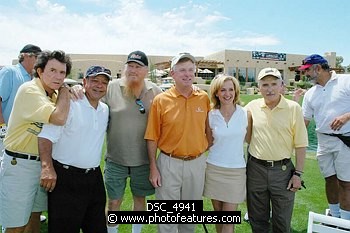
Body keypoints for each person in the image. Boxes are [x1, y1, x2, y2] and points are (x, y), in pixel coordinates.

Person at [0, 50, 72, 233]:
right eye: (53, 70)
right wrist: (65, 91)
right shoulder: (30, 90)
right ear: (39, 71)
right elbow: (59, 117)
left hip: (41, 164)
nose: (58, 77)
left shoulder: (52, 95)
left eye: (62, 72)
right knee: (16, 225)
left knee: (34, 220)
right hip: (20, 164)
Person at [38, 65, 111, 233]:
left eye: (103, 82)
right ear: (84, 82)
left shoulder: (104, 109)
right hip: (66, 178)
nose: (99, 85)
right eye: (95, 81)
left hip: (94, 178)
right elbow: (45, 136)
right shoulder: (68, 104)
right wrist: (47, 168)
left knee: (97, 227)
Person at [145, 52, 210, 233]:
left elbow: (209, 131)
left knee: (189, 221)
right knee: (167, 220)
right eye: (182, 70)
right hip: (168, 163)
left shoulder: (203, 98)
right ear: (172, 74)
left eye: (190, 69)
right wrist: (153, 168)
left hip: (196, 163)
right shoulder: (161, 100)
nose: (187, 74)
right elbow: (152, 136)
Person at [104, 51, 162, 233]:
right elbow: (91, 99)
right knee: (113, 202)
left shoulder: (156, 92)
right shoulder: (111, 87)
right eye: (130, 66)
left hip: (144, 161)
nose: (133, 70)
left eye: (138, 67)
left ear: (146, 70)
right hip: (115, 159)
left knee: (140, 200)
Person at [245, 67, 308, 233]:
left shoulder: (294, 108)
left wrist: (298, 174)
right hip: (255, 169)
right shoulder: (251, 107)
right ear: (259, 87)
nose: (270, 88)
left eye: (274, 83)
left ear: (282, 85)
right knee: (257, 218)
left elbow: (301, 144)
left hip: (283, 171)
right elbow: (246, 136)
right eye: (265, 84)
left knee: (281, 220)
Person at [300, 54, 350, 220]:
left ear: (318, 68)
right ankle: (334, 218)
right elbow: (304, 122)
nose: (305, 75)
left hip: (345, 141)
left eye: (307, 70)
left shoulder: (345, 81)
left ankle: (345, 222)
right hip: (323, 142)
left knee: (345, 183)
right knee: (329, 180)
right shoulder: (310, 94)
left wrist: (346, 117)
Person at [204, 75, 252, 233]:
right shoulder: (210, 115)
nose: (227, 93)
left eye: (231, 89)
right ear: (216, 93)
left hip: (236, 172)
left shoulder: (245, 114)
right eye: (223, 90)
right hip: (213, 169)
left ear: (236, 91)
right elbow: (209, 143)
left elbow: (249, 140)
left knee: (228, 220)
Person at [0, 44, 42, 155]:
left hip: (22, 139)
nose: (40, 62)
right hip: (5, 134)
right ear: (26, 56)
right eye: (38, 57)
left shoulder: (34, 79)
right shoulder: (10, 72)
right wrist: (2, 128)